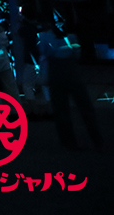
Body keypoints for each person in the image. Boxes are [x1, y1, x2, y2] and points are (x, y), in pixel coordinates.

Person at [38, 13, 103, 151]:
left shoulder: (44, 36)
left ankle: (68, 142)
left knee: (61, 109)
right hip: (72, 73)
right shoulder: (71, 36)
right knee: (85, 107)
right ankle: (97, 140)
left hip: (56, 74)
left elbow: (43, 53)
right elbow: (77, 53)